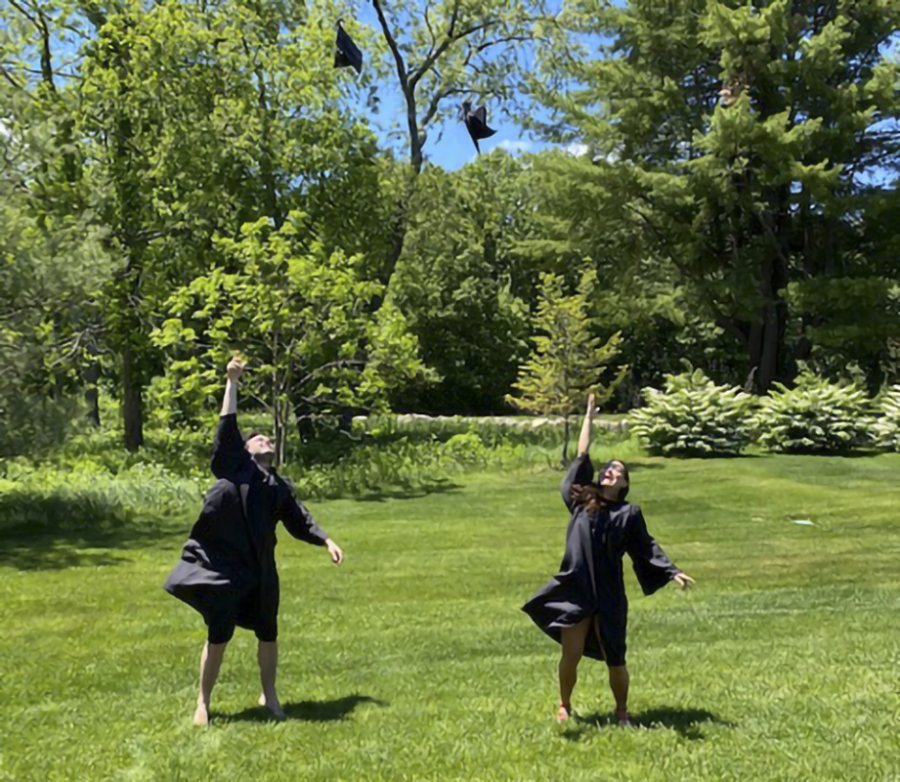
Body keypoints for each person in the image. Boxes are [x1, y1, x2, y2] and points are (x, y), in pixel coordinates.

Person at [164, 355, 344, 726]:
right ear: (245, 451)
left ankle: (270, 693)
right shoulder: (235, 469)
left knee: (268, 631)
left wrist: (325, 540)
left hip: (261, 570)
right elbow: (227, 427)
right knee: (219, 636)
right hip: (225, 567)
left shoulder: (278, 486)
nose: (265, 438)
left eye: (269, 437)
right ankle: (203, 702)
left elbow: (299, 519)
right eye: (258, 437)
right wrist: (232, 382)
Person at [522, 393, 694, 726]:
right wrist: (588, 416)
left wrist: (672, 572)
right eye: (608, 468)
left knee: (616, 657)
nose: (611, 471)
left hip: (610, 593)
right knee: (570, 654)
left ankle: (621, 712)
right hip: (576, 586)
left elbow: (645, 547)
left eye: (618, 470)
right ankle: (564, 705)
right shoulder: (582, 499)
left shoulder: (629, 513)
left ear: (625, 483)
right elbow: (582, 453)